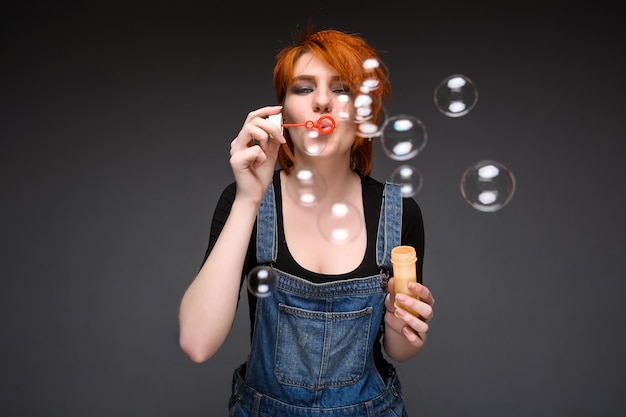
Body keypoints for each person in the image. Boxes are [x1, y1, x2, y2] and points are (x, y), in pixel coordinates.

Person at [178, 26, 435, 416]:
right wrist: (249, 197)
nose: (321, 102)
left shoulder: (399, 212)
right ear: (282, 111)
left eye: (342, 88)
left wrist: (409, 328)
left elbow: (397, 349)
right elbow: (197, 343)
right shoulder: (244, 201)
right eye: (303, 88)